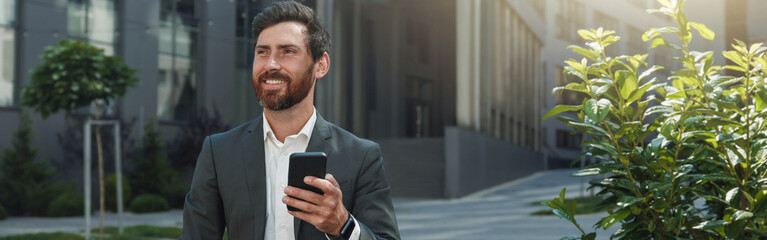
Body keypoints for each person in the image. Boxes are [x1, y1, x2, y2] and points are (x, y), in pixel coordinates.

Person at [179, 1, 400, 240]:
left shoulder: (361, 156)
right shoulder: (219, 152)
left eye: (288, 51)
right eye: (262, 52)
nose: (271, 64)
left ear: (321, 65)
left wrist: (343, 225)